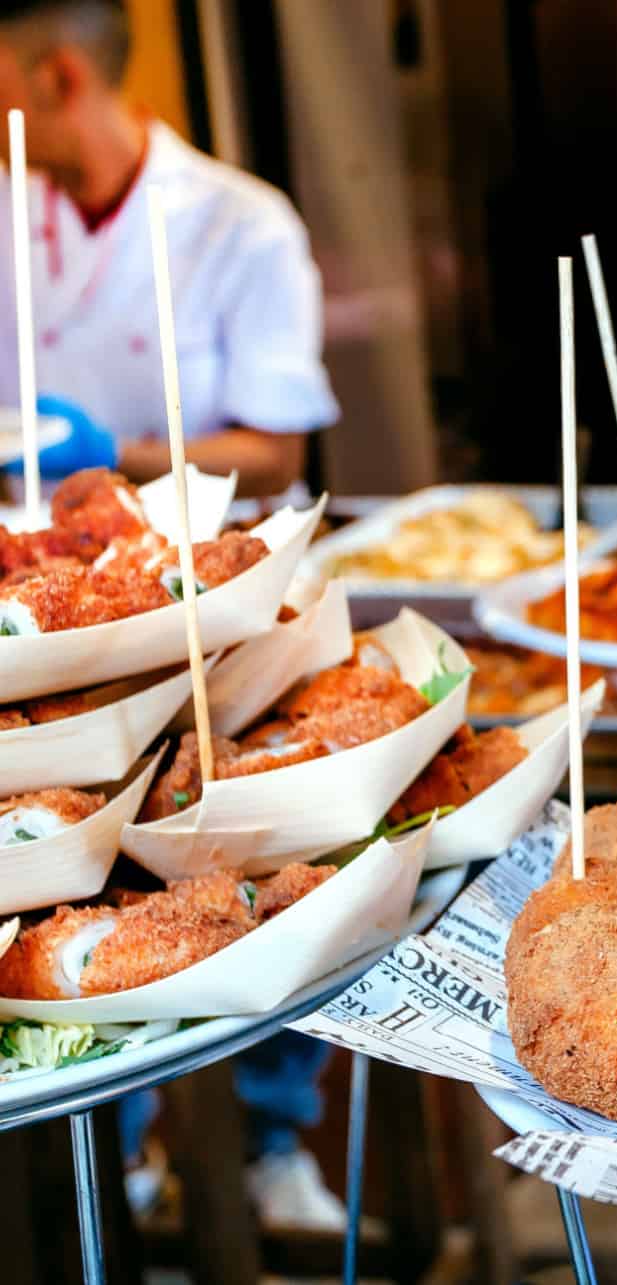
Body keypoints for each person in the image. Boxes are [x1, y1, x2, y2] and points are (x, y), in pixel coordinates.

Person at [0, 0, 346, 1229]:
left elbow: (277, 437)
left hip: (220, 627)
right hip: (52, 648)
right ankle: (117, 1155)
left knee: (237, 849)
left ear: (53, 74)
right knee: (64, 873)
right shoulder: (4, 217)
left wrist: (123, 452)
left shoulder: (237, 222)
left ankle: (265, 1143)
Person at [0, 0, 334, 498]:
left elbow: (275, 458)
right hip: (48, 556)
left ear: (57, 78)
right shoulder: (9, 208)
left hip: (221, 551)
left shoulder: (243, 224)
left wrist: (111, 455)